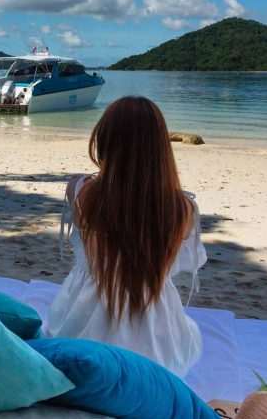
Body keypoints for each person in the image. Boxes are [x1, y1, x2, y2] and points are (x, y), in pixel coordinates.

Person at [47, 96, 206, 377]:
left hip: (82, 313)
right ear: (160, 148)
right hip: (154, 322)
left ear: (105, 140)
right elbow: (184, 265)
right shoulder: (183, 209)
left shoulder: (81, 191)